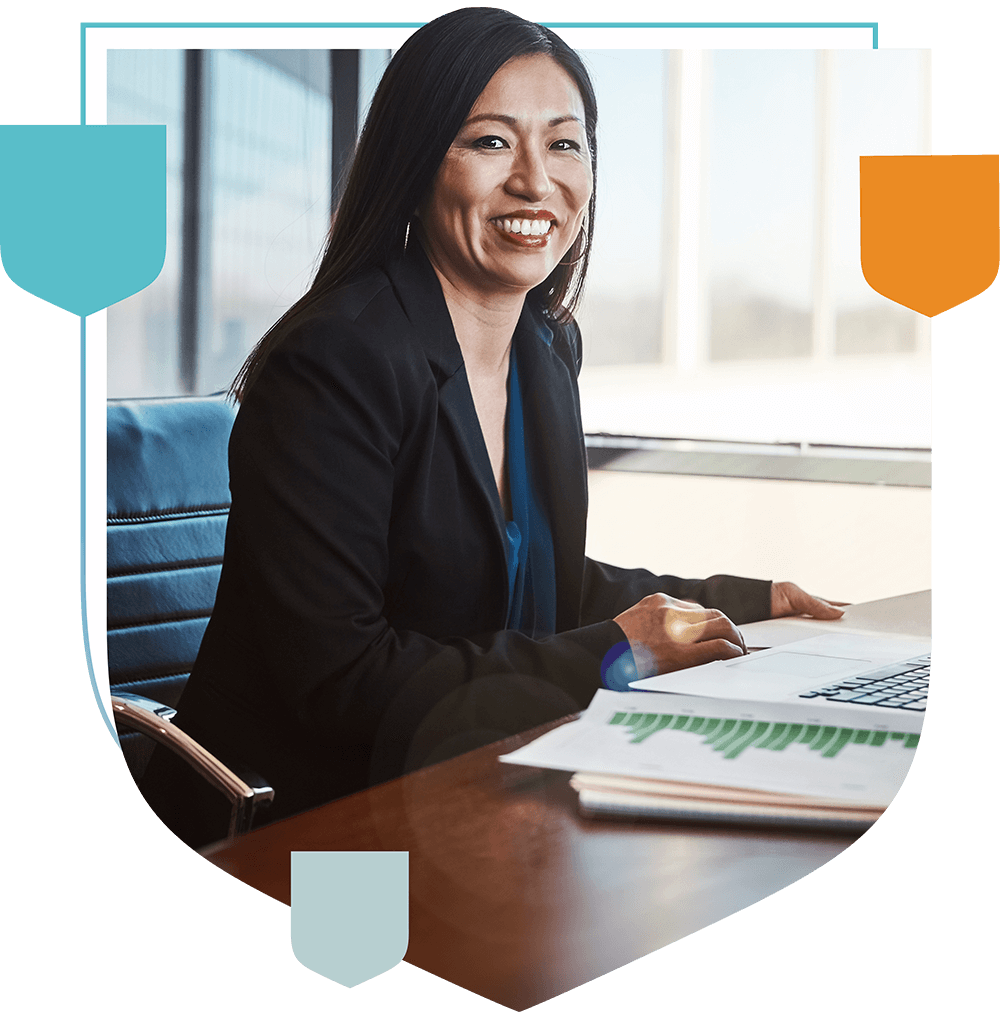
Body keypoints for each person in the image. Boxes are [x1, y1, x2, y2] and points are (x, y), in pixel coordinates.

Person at [143, 11, 845, 838]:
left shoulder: (546, 350)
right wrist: (618, 652)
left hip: (481, 785)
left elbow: (531, 577)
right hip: (314, 820)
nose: (535, 182)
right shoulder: (334, 360)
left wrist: (742, 603)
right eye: (489, 142)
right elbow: (342, 679)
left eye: (564, 144)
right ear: (415, 162)